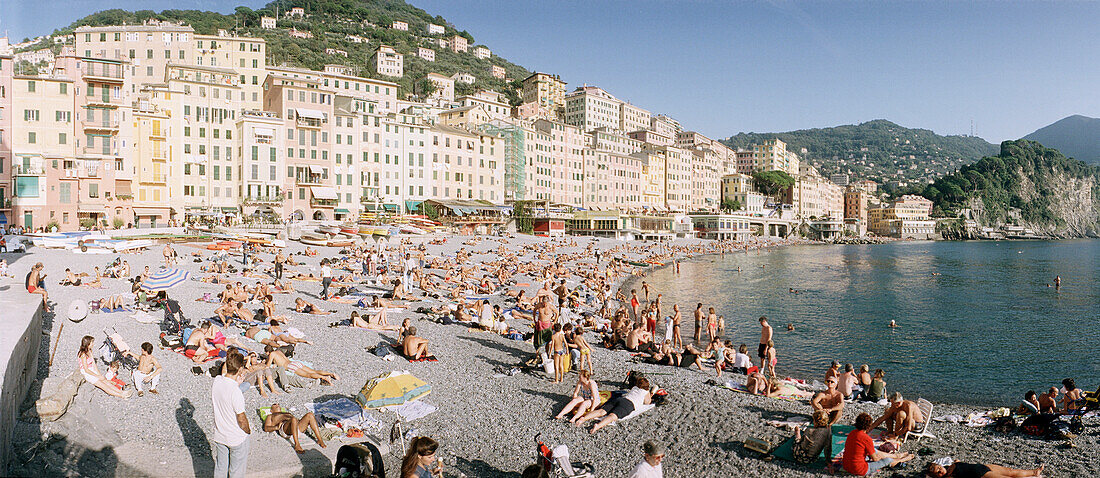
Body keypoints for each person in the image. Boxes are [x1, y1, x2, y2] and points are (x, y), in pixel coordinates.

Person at [212, 352, 251, 478]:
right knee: (236, 472)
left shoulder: (217, 381)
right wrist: (247, 431)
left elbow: (225, 379)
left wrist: (237, 381)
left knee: (220, 469)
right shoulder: (236, 392)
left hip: (220, 434)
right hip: (235, 437)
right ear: (240, 369)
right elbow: (241, 419)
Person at [841, 412, 913, 476]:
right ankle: (903, 459)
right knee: (887, 460)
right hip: (859, 469)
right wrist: (880, 457)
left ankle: (897, 455)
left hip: (846, 465)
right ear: (868, 426)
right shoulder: (866, 438)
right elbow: (875, 459)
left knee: (874, 451)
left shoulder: (852, 433)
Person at [575, 377, 653, 434]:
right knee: (612, 416)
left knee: (601, 411)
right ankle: (597, 426)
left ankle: (583, 418)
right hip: (629, 404)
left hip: (620, 399)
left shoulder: (634, 387)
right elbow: (647, 402)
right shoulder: (645, 391)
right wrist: (650, 393)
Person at [924, 461, 1044, 478]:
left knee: (1010, 471)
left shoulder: (949, 466)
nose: (941, 471)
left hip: (981, 466)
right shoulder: (949, 477)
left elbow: (956, 461)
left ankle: (1034, 472)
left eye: (939, 468)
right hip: (980, 475)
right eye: (938, 473)